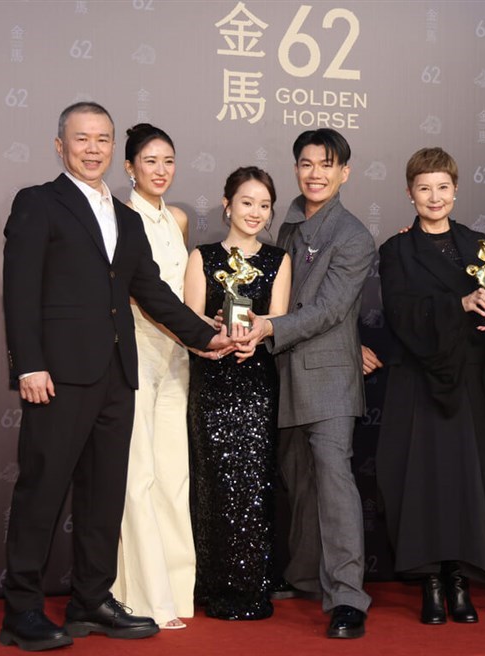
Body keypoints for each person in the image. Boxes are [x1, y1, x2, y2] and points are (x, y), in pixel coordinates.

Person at [0, 101, 232, 652]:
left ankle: (91, 600)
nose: (93, 148)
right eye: (81, 139)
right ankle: (22, 611)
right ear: (61, 146)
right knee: (42, 491)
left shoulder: (127, 219)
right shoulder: (38, 203)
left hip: (115, 374)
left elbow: (149, 292)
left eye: (102, 138)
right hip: (56, 375)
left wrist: (208, 337)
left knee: (104, 495)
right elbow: (19, 290)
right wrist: (28, 364)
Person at [376, 147, 485, 625]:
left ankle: (460, 578)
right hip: (419, 381)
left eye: (443, 187)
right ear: (409, 193)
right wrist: (458, 306)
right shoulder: (396, 250)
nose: (434, 197)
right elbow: (400, 316)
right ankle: (431, 583)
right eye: (424, 188)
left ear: (456, 190)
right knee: (424, 483)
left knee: (467, 482)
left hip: (470, 380)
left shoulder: (480, 243)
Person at [245, 128, 375, 638]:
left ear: (345, 172)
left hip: (328, 379)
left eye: (327, 164)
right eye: (305, 163)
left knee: (334, 483)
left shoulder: (354, 236)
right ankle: (303, 577)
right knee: (297, 481)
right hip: (282, 372)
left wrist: (266, 328)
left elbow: (328, 310)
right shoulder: (287, 227)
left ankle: (347, 597)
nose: (315, 173)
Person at [185, 166, 291, 620]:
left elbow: (278, 321)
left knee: (253, 485)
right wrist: (210, 331)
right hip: (211, 381)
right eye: (247, 202)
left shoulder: (277, 259)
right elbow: (187, 322)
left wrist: (255, 337)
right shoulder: (202, 256)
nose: (255, 212)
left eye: (264, 205)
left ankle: (251, 584)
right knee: (211, 484)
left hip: (255, 383)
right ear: (227, 204)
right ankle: (210, 583)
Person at [109, 124, 194, 630]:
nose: (160, 171)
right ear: (129, 167)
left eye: (168, 161)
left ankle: (176, 591)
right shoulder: (120, 219)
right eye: (150, 161)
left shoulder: (177, 218)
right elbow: (143, 294)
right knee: (136, 475)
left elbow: (184, 293)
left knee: (172, 476)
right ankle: (140, 597)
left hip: (178, 357)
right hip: (136, 352)